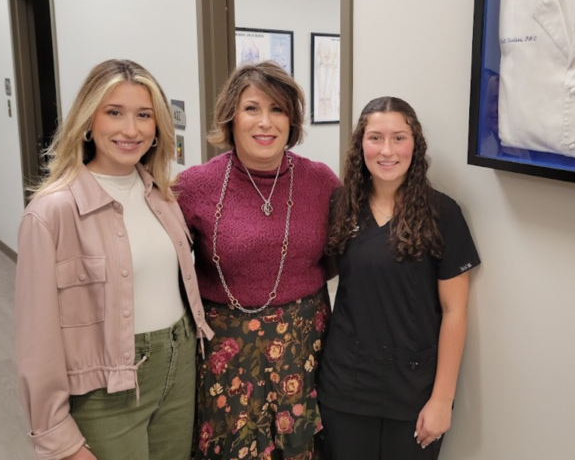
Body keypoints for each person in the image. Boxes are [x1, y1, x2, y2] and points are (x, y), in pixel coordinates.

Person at [15, 59, 214, 460]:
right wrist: (57, 438)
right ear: (88, 121)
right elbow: (36, 341)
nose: (131, 129)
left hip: (179, 366)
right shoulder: (52, 211)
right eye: (114, 113)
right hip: (107, 389)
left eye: (144, 115)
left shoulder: (163, 196)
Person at [175, 61, 339, 460]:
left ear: (292, 121)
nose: (265, 122)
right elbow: (174, 270)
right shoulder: (195, 186)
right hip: (229, 353)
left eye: (278, 110)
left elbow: (337, 257)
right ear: (231, 116)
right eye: (252, 108)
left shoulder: (321, 182)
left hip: (306, 346)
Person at [319, 97, 481, 460]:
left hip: (414, 388)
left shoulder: (443, 213)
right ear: (361, 144)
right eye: (375, 137)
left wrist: (443, 399)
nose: (387, 150)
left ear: (415, 144)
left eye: (399, 138)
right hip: (345, 384)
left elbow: (455, 311)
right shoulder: (339, 205)